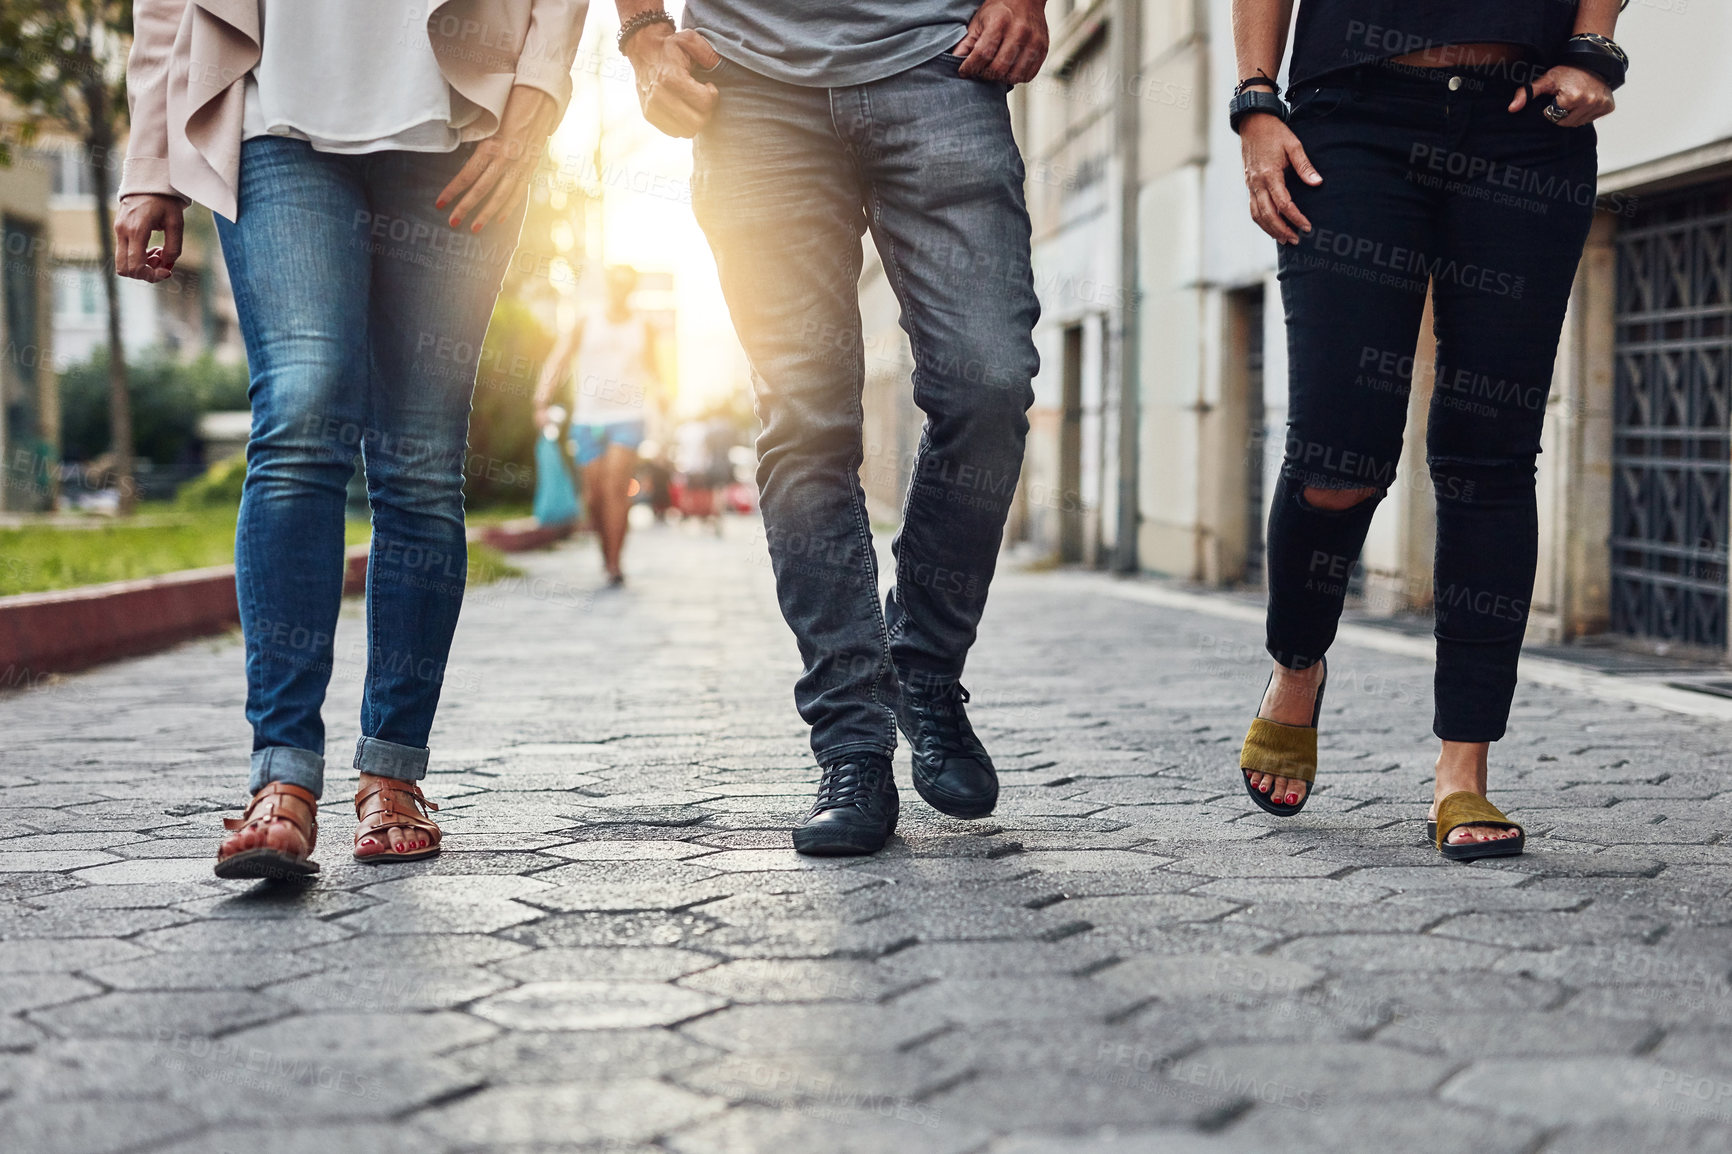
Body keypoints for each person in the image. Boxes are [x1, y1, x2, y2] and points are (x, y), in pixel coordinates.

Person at [115, 0, 586, 878]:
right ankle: (282, 777)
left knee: (418, 459)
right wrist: (150, 160)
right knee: (300, 409)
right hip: (269, 108)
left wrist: (535, 104)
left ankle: (393, 772)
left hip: (457, 116)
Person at [616, 0, 1046, 855]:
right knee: (806, 423)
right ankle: (851, 740)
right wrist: (640, 33)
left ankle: (921, 665)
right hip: (748, 86)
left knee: (989, 384)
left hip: (942, 60)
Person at [1230, 0, 1626, 860]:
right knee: (1339, 457)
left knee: (1489, 454)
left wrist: (1595, 45)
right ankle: (1298, 666)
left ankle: (1463, 769)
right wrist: (1256, 99)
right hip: (1351, 121)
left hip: (1525, 122)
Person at [535, 266, 662, 585]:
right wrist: (541, 401)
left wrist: (662, 405)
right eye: (614, 285)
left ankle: (615, 564)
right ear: (607, 287)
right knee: (593, 494)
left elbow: (656, 372)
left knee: (616, 486)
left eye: (626, 286)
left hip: (628, 416)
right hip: (588, 418)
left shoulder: (642, 327)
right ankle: (606, 554)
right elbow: (558, 360)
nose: (620, 291)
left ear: (632, 289)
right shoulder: (585, 322)